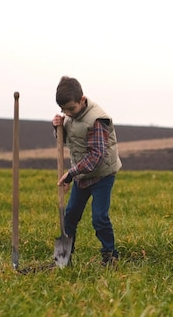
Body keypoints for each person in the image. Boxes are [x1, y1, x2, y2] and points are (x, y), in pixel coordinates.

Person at [52, 76, 122, 267]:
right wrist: (57, 127)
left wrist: (71, 174)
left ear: (82, 100)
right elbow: (68, 139)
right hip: (82, 175)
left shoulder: (97, 120)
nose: (67, 113)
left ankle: (110, 256)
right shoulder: (71, 116)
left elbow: (96, 156)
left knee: (99, 218)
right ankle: (62, 259)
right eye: (63, 110)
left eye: (71, 109)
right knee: (70, 215)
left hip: (102, 174)